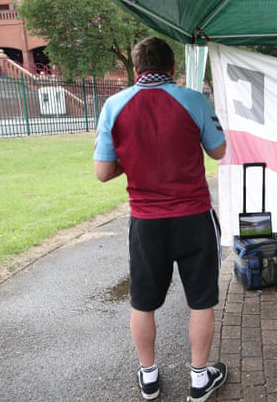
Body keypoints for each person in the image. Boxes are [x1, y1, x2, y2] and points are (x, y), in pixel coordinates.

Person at [93, 36, 227, 401]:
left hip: (146, 222)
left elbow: (103, 172)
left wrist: (134, 161)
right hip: (194, 217)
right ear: (172, 69)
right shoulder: (194, 99)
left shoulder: (114, 105)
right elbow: (219, 151)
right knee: (201, 301)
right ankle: (200, 379)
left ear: (136, 69)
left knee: (143, 301)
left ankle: (149, 377)